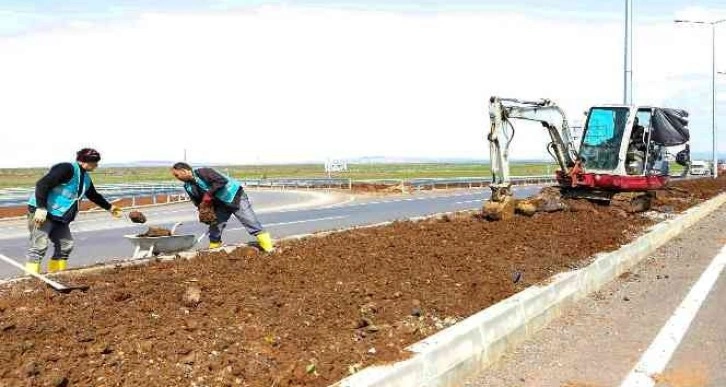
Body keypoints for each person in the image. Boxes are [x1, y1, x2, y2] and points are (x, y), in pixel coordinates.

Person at [26, 148, 123, 274]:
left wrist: (110, 208)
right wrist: (41, 208)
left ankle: (57, 275)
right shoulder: (66, 169)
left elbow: (93, 195)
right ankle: (30, 279)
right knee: (39, 246)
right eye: (94, 162)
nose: (96, 165)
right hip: (42, 214)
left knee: (66, 245)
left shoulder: (86, 179)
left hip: (59, 217)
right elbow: (42, 184)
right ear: (83, 161)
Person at [170, 162, 273, 252]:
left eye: (177, 175)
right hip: (220, 204)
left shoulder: (203, 172)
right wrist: (203, 211)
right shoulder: (188, 186)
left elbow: (221, 181)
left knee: (250, 222)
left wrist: (209, 194)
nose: (177, 178)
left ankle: (269, 249)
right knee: (215, 227)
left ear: (184, 171)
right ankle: (214, 249)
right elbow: (198, 201)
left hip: (235, 196)